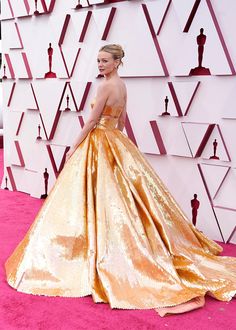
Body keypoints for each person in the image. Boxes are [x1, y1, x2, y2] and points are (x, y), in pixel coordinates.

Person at [5, 44, 236, 317]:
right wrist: (119, 140)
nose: (100, 65)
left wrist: (73, 148)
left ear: (117, 62)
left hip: (99, 141)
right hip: (114, 139)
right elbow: (122, 120)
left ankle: (96, 251)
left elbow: (91, 121)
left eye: (105, 61)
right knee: (120, 196)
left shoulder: (104, 87)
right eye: (98, 60)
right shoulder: (122, 85)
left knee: (98, 195)